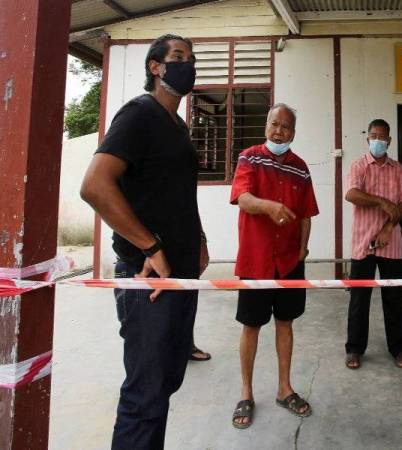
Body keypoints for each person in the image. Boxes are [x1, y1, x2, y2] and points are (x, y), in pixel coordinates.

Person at [80, 34, 209, 449]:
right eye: (177, 57)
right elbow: (95, 186)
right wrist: (151, 247)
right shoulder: (138, 114)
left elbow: (177, 193)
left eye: (191, 58)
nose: (187, 64)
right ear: (156, 67)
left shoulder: (178, 126)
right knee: (145, 395)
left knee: (165, 384)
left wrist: (199, 237)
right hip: (147, 278)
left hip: (182, 277)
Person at [229, 103, 319, 429]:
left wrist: (303, 250)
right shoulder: (249, 157)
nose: (279, 131)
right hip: (256, 260)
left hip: (289, 261)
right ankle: (246, 393)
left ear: (293, 133)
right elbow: (242, 198)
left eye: (286, 127)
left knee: (285, 323)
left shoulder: (301, 168)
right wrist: (268, 206)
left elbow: (307, 213)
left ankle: (284, 389)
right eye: (274, 124)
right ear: (266, 125)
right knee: (251, 326)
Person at [344, 119, 402, 370]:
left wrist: (388, 227)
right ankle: (354, 350)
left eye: (382, 137)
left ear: (389, 141)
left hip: (391, 241)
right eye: (373, 136)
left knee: (394, 298)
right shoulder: (359, 166)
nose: (378, 141)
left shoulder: (398, 169)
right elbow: (351, 194)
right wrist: (382, 202)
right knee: (359, 299)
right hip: (363, 241)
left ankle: (398, 349)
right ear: (367, 139)